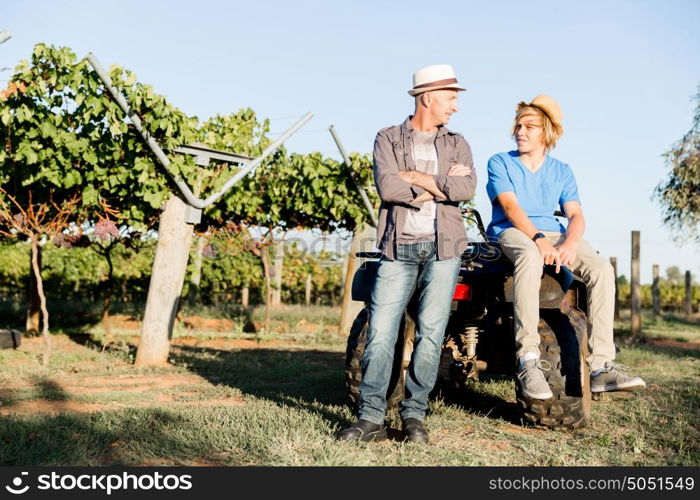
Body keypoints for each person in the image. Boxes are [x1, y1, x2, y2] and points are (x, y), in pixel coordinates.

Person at [338, 64, 476, 443]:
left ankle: (414, 416)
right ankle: (371, 418)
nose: (456, 107)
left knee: (431, 335)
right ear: (427, 97)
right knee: (382, 332)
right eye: (451, 98)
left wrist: (417, 178)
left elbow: (466, 188)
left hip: (443, 249)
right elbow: (388, 187)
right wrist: (439, 186)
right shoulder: (388, 138)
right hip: (398, 248)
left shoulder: (457, 143)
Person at [485, 94, 645, 400]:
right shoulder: (500, 162)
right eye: (518, 125)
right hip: (514, 231)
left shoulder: (562, 170)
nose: (520, 131)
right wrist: (539, 240)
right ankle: (528, 359)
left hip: (554, 233)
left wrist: (570, 243)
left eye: (529, 126)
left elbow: (575, 214)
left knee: (600, 269)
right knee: (530, 257)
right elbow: (510, 206)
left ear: (546, 132)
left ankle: (600, 366)